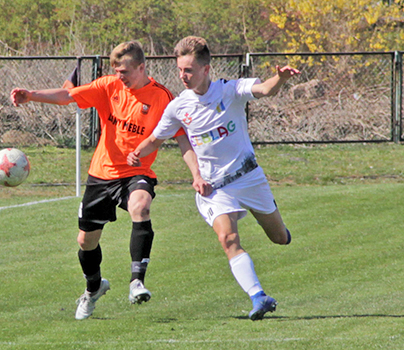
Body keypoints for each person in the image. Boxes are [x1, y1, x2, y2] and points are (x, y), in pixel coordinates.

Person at [11, 41, 191, 320]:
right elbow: (67, 95)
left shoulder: (161, 97)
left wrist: (197, 171)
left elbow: (180, 136)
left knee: (141, 207)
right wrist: (31, 95)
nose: (121, 76)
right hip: (101, 174)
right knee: (86, 242)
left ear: (142, 67)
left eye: (126, 71)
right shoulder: (108, 86)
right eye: (117, 71)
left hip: (135, 172)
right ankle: (94, 288)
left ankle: (136, 282)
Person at [127, 36, 298, 321]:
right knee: (227, 237)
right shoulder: (178, 107)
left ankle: (272, 222)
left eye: (189, 70)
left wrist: (279, 79)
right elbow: (155, 140)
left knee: (280, 238)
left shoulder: (229, 89)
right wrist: (137, 153)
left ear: (206, 69)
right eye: (180, 69)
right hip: (214, 188)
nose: (183, 76)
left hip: (249, 177)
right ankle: (259, 296)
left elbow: (265, 89)